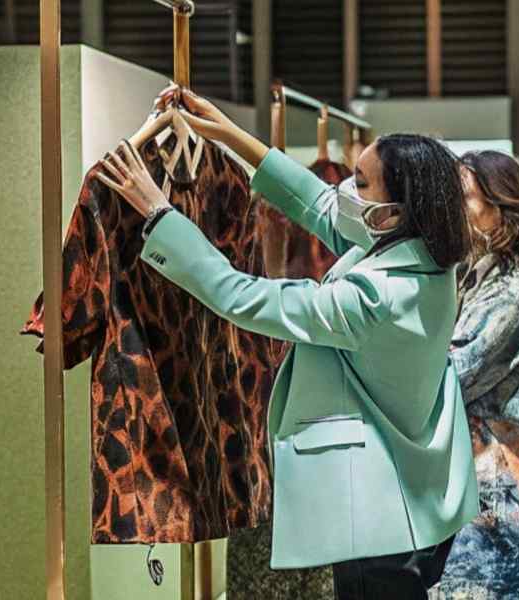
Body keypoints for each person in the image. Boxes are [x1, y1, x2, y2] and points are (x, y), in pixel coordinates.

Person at [97, 86, 479, 600]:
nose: (345, 187)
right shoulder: (426, 258)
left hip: (382, 517)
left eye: (360, 182)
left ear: (392, 213)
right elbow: (320, 206)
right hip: (413, 501)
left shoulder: (375, 296)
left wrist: (160, 215)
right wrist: (229, 134)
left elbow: (242, 296)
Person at [432, 151, 519, 599]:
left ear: (501, 208)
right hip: (475, 489)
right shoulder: (473, 278)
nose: (455, 210)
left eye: (465, 197)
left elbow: (452, 372)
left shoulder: (515, 293)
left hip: (500, 499)